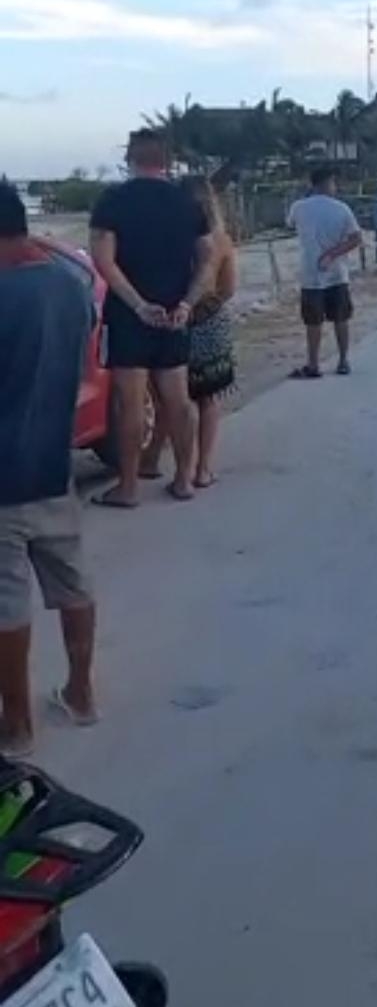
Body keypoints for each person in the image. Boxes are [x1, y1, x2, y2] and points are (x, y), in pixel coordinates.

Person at [0, 183, 97, 757]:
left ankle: (16, 726)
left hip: (3, 481)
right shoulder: (72, 285)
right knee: (72, 582)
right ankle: (82, 694)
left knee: (6, 603)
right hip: (55, 465)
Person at [89, 130, 214, 506]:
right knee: (178, 400)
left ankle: (128, 487)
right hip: (175, 312)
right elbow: (207, 258)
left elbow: (103, 261)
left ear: (130, 157)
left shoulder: (113, 200)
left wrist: (138, 304)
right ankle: (184, 478)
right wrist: (188, 303)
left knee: (130, 403)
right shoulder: (187, 203)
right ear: (168, 160)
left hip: (130, 317)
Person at [141, 174, 238, 489]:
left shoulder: (162, 234)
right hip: (209, 319)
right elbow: (229, 287)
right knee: (207, 400)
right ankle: (202, 470)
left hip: (170, 319)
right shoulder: (221, 239)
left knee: (171, 399)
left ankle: (155, 461)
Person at [287, 165, 363, 378]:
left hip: (310, 274)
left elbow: (290, 224)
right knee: (341, 318)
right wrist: (333, 253)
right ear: (328, 182)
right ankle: (343, 361)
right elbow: (356, 238)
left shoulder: (298, 207)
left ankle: (313, 364)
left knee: (313, 321)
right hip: (337, 272)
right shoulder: (342, 209)